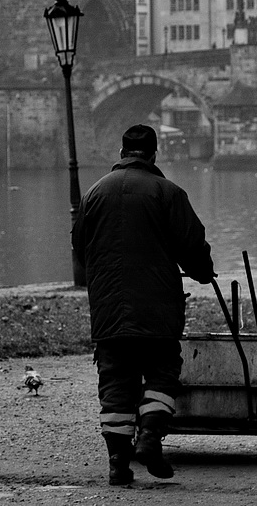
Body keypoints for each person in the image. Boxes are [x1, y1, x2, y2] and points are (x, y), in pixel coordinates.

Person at [71, 123, 215, 487]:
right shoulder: (167, 192)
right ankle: (150, 435)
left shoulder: (93, 193)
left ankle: (118, 461)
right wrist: (202, 271)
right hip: (157, 306)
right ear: (153, 154)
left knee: (116, 380)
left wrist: (98, 279)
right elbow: (192, 244)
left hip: (108, 306)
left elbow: (79, 245)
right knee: (163, 371)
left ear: (122, 153)